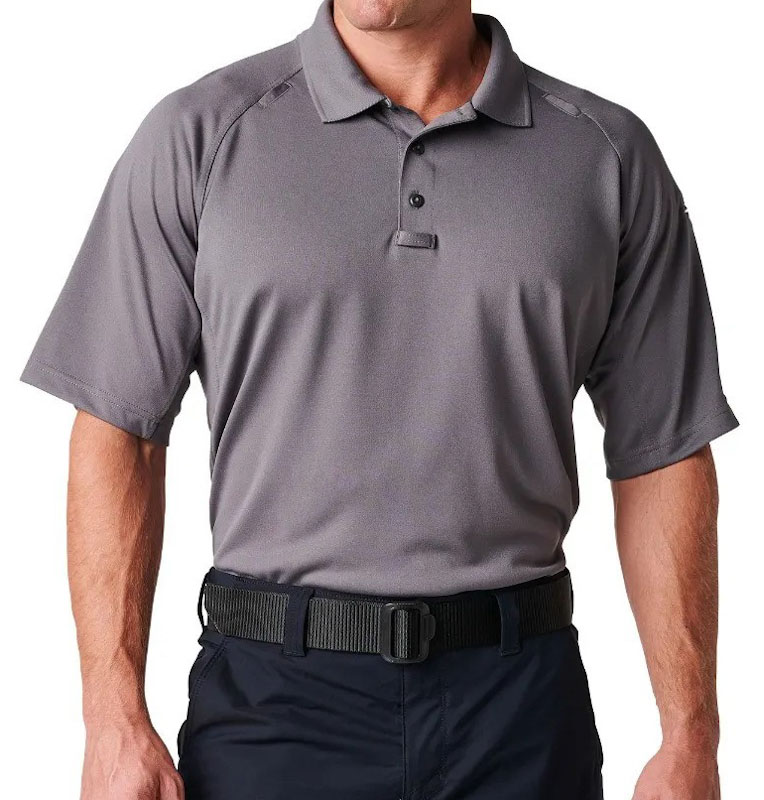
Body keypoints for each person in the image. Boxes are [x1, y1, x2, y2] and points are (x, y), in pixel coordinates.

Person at [21, 0, 738, 798]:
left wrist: (691, 735)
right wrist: (112, 720)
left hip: (519, 710)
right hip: (275, 708)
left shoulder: (604, 154)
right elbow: (119, 428)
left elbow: (663, 450)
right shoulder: (199, 135)